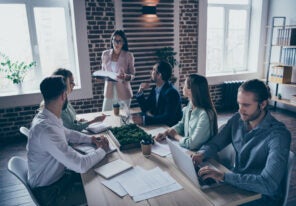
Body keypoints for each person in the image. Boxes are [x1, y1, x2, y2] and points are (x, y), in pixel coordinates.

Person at [191, 79, 291, 206]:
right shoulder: (237, 119)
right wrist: (202, 153)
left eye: (246, 105)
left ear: (263, 104)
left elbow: (268, 184)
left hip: (262, 196)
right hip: (237, 183)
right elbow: (216, 143)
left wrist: (224, 177)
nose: (240, 110)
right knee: (197, 194)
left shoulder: (278, 135)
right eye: (239, 104)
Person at [27, 76, 110, 206]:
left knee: (99, 177)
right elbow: (80, 165)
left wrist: (92, 139)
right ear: (63, 95)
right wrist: (103, 150)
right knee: (103, 195)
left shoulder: (47, 116)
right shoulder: (46, 130)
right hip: (51, 193)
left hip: (59, 179)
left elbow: (69, 134)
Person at [155, 74, 218, 150]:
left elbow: (192, 144)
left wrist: (175, 135)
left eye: (184, 84)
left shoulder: (205, 114)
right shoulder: (190, 105)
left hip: (201, 157)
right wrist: (166, 132)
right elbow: (182, 125)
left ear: (190, 90)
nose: (182, 86)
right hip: (189, 151)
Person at [132, 61, 182, 127]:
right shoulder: (155, 88)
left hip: (169, 128)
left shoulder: (171, 93)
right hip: (158, 124)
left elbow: (167, 118)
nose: (151, 72)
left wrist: (144, 120)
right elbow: (146, 108)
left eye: (153, 70)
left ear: (159, 75)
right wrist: (140, 91)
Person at [101, 30, 135, 111]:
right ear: (112, 41)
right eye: (115, 40)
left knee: (122, 118)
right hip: (109, 91)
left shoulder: (128, 55)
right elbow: (103, 71)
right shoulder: (105, 54)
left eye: (120, 41)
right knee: (106, 116)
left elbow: (133, 74)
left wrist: (126, 76)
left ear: (123, 42)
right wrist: (101, 76)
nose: (117, 43)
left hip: (124, 91)